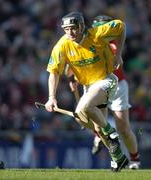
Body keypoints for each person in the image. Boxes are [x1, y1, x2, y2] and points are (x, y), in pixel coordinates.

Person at [45, 11, 129, 172]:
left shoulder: (97, 34)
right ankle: (119, 158)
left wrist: (118, 54)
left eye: (73, 28)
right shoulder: (62, 45)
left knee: (83, 108)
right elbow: (53, 72)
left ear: (82, 26)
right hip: (88, 87)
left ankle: (111, 132)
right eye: (66, 29)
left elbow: (122, 26)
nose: (70, 33)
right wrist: (51, 97)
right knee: (95, 128)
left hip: (106, 80)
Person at [90, 15, 140, 169]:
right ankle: (115, 157)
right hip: (99, 84)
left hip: (118, 85)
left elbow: (122, 27)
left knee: (123, 128)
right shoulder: (88, 42)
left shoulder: (113, 43)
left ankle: (135, 159)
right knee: (100, 127)